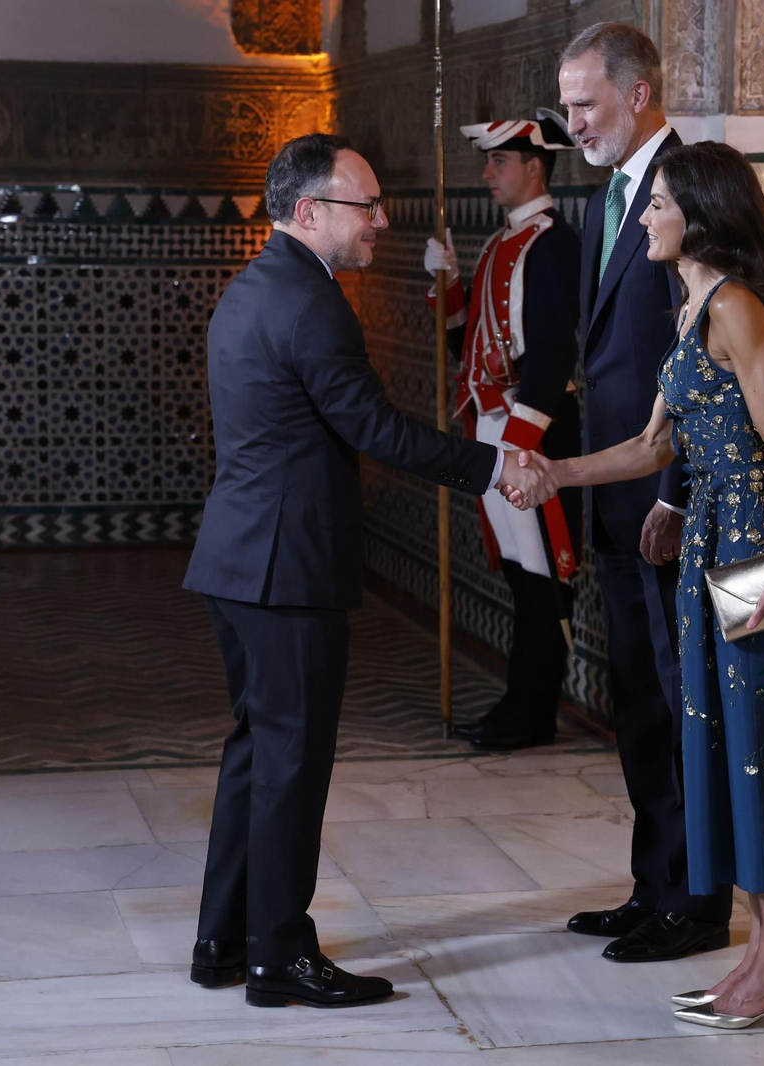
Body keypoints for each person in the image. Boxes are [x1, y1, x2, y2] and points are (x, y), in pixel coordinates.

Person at [512, 140, 764, 1028]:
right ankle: (763, 957)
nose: (645, 215)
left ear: (701, 214)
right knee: (720, 747)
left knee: (762, 750)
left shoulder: (738, 307)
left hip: (758, 550)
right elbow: (652, 446)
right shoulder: (691, 308)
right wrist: (558, 474)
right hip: (711, 538)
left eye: (660, 203)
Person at [181, 133, 548, 1010]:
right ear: (310, 212)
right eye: (365, 205)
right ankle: (278, 958)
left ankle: (222, 940)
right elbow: (374, 429)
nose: (382, 219)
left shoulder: (254, 287)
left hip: (239, 564)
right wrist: (492, 465)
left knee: (256, 757)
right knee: (291, 766)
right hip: (285, 570)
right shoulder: (310, 304)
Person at [556, 22, 733, 964]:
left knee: (682, 700)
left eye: (585, 103)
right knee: (637, 698)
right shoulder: (605, 201)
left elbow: (708, 355)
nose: (573, 121)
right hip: (617, 503)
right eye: (568, 103)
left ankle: (701, 903)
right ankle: (653, 883)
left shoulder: (694, 186)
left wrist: (670, 489)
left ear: (638, 93)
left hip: (671, 506)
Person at [421, 111, 584, 751]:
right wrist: (449, 283)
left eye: (499, 162)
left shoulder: (552, 244)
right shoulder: (501, 243)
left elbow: (548, 358)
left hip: (531, 436)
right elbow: (470, 346)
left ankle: (531, 713)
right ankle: (522, 707)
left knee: (542, 579)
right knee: (520, 574)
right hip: (498, 432)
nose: (487, 173)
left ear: (534, 167)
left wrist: (519, 445)